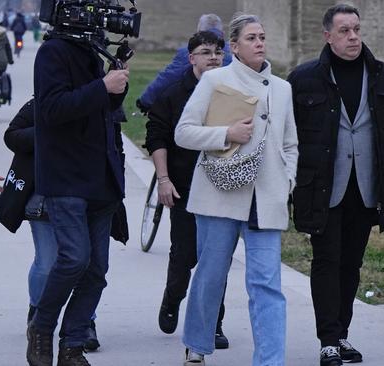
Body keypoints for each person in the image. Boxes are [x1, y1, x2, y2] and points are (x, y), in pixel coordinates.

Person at [287, 4, 384, 365]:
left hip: (367, 187)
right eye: (344, 30)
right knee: (326, 260)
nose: (352, 37)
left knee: (351, 264)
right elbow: (285, 139)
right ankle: (328, 340)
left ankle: (343, 334)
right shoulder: (304, 79)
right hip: (321, 187)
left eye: (356, 29)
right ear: (327, 36)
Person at [175, 13, 298, 366]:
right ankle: (197, 344)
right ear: (234, 46)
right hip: (219, 194)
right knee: (210, 276)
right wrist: (226, 134)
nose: (259, 43)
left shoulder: (282, 88)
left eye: (262, 37)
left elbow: (291, 144)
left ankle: (270, 360)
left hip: (267, 198)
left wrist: (286, 180)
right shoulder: (215, 80)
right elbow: (184, 132)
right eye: (251, 38)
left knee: (267, 285)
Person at [25, 24, 129, 366]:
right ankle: (41, 329)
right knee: (73, 259)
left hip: (100, 180)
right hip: (66, 178)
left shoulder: (92, 50)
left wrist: (115, 86)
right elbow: (53, 109)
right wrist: (102, 86)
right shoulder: (52, 52)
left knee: (97, 270)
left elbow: (104, 112)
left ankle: (72, 345)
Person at [145, 31, 230, 349]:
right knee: (185, 255)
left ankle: (213, 324)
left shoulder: (231, 91)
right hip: (184, 187)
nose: (213, 58)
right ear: (191, 57)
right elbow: (156, 138)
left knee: (217, 258)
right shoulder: (171, 95)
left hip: (222, 188)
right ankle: (172, 298)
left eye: (218, 52)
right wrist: (164, 180)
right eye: (206, 52)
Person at [136, 13, 232, 112]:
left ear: (198, 32)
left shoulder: (188, 51)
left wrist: (145, 101)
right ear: (222, 33)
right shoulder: (234, 51)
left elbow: (168, 77)